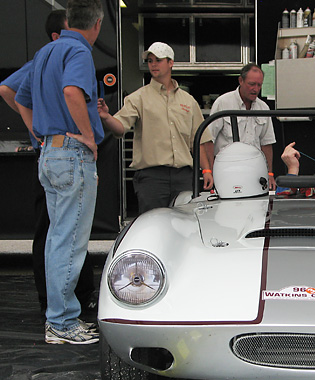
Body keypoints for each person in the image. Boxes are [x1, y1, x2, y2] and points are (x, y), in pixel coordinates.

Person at [15, 0, 105, 344]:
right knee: (70, 242)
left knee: (57, 240)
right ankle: (62, 323)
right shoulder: (79, 52)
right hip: (72, 154)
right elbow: (72, 91)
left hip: (49, 154)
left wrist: (39, 132)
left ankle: (60, 318)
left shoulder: (45, 53)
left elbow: (19, 96)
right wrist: (86, 136)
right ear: (96, 24)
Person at [98, 42, 214, 214]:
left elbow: (199, 140)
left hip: (184, 175)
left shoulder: (188, 100)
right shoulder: (138, 97)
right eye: (150, 60)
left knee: (185, 226)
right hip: (152, 177)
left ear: (170, 63)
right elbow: (120, 127)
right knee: (152, 226)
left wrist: (207, 170)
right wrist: (107, 117)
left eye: (158, 60)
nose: (153, 64)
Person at [209, 63, 276, 190]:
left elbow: (267, 143)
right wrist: (210, 171)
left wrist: (270, 174)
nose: (255, 89)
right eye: (252, 84)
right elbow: (208, 140)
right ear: (241, 80)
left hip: (255, 172)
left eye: (259, 85)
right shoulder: (223, 103)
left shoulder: (263, 108)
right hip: (227, 171)